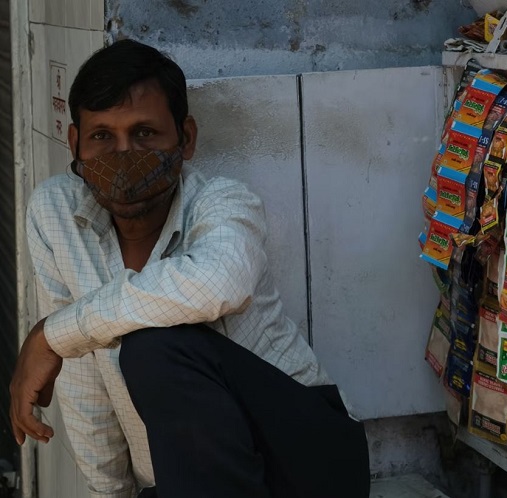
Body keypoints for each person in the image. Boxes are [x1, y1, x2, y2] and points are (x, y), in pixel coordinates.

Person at [9, 39, 370, 498]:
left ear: (187, 138)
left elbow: (216, 283)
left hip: (309, 465)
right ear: (75, 143)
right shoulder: (55, 211)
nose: (125, 156)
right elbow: (86, 392)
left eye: (145, 134)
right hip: (194, 481)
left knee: (154, 348)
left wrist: (52, 335)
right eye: (103, 136)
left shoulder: (223, 203)